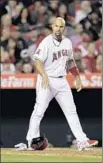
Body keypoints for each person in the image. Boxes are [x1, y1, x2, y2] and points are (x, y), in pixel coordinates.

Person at [26, 17, 98, 151]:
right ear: (52, 27)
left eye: (61, 27)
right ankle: (32, 140)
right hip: (46, 79)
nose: (58, 29)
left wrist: (77, 77)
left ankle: (82, 141)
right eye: (56, 26)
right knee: (39, 111)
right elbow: (37, 61)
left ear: (64, 28)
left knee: (71, 111)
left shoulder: (67, 42)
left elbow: (70, 61)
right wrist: (44, 75)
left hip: (61, 80)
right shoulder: (46, 42)